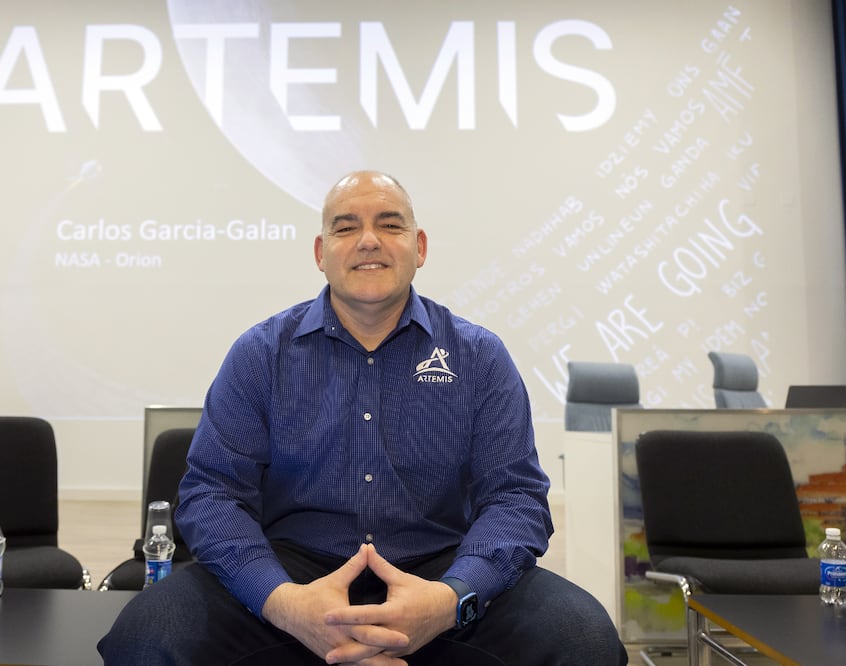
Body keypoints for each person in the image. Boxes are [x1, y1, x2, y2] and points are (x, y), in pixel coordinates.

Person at [99, 171, 627, 665]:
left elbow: (515, 497)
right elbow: (212, 493)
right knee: (146, 637)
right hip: (291, 570)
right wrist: (282, 602)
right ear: (320, 253)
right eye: (346, 227)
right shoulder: (261, 354)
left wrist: (449, 599)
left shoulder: (478, 357)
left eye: (390, 224)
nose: (369, 240)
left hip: (440, 567)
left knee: (583, 638)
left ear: (419, 248)